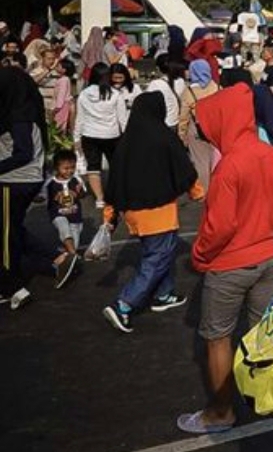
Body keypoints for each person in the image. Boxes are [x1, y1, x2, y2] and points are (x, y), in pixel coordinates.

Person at [177, 83, 273, 434]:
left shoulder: (229, 166)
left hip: (229, 265)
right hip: (267, 258)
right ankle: (266, 398)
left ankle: (220, 412)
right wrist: (264, 232)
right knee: (262, 332)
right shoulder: (270, 154)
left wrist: (200, 255)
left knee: (218, 337)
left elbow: (220, 226)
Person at [102, 93, 201, 333]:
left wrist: (109, 216)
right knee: (157, 258)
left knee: (155, 252)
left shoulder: (125, 142)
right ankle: (124, 304)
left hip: (134, 214)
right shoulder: (163, 137)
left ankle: (164, 294)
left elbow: (114, 181)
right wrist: (197, 192)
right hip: (160, 212)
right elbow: (183, 167)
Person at [1, 66, 49, 309]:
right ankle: (50, 260)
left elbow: (23, 153)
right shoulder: (31, 112)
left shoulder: (18, 117)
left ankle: (12, 286)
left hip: (14, 180)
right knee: (14, 231)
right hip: (27, 180)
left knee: (6, 237)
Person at [74, 63, 127, 208]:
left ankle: (99, 198)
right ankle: (117, 194)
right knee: (116, 166)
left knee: (93, 167)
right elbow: (122, 119)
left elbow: (80, 118)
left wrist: (76, 138)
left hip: (89, 134)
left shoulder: (84, 94)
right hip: (112, 135)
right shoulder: (115, 94)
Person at [44, 149, 86, 288]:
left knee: (74, 238)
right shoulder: (51, 183)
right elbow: (42, 196)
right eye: (66, 168)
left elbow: (83, 194)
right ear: (57, 168)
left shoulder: (76, 179)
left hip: (75, 216)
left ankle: (64, 262)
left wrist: (80, 192)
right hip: (58, 214)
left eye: (72, 167)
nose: (69, 171)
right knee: (63, 227)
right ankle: (72, 253)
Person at [179, 59, 220, 191]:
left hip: (197, 131)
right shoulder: (217, 87)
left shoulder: (189, 91)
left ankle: (204, 191)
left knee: (200, 162)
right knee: (217, 159)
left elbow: (183, 117)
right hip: (216, 129)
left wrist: (182, 136)